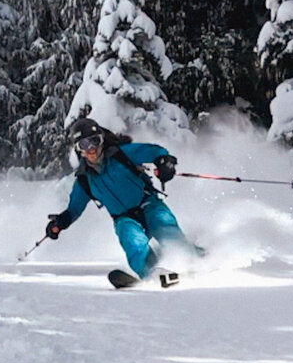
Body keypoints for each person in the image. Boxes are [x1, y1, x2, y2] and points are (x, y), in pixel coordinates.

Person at [46, 117, 201, 281]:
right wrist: (61, 222)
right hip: (124, 218)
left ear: (102, 139)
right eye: (84, 145)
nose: (91, 148)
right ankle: (152, 272)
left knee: (166, 230)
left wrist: (163, 162)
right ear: (79, 149)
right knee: (132, 241)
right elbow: (74, 209)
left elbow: (153, 151)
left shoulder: (121, 154)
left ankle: (197, 261)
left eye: (94, 141)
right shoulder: (84, 180)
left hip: (149, 205)